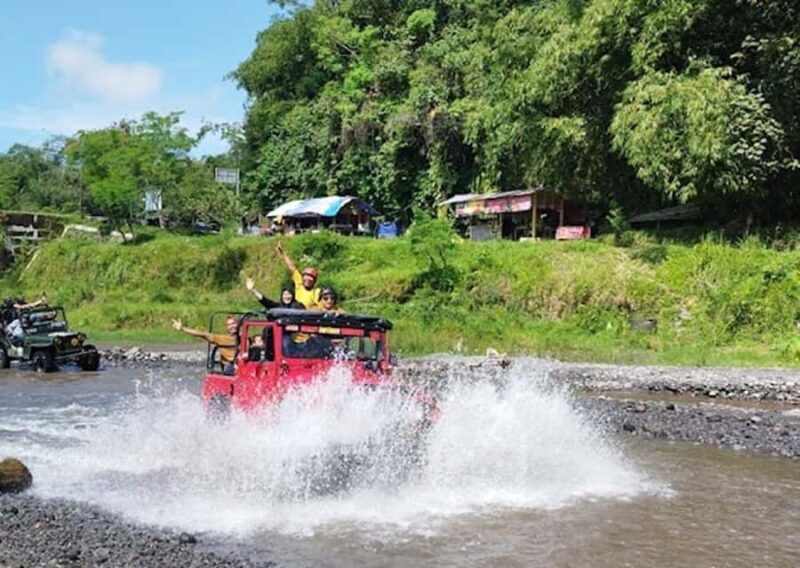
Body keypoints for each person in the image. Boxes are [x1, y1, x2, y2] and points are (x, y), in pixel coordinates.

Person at [172, 316, 238, 368]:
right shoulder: (222, 338)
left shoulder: (246, 338)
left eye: (233, 323)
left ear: (238, 324)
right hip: (231, 366)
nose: (232, 326)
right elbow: (202, 334)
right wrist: (183, 329)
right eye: (229, 325)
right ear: (227, 328)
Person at [275, 242, 321, 309]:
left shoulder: (316, 292)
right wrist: (283, 253)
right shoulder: (299, 283)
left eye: (310, 278)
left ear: (314, 281)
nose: (307, 280)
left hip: (306, 315)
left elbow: (322, 306)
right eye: (306, 277)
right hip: (294, 311)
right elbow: (292, 267)